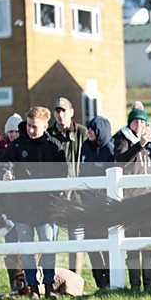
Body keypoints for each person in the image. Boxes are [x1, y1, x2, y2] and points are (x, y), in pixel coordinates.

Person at [0, 106, 67, 299]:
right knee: (27, 249)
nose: (30, 130)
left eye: (34, 126)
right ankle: (33, 288)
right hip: (22, 208)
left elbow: (64, 174)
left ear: (45, 125)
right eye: (28, 125)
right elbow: (4, 164)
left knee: (48, 246)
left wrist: (58, 195)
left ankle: (49, 286)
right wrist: (6, 172)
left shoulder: (54, 146)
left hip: (46, 208)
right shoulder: (18, 145)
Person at [114, 107, 151, 291]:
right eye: (135, 121)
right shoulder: (122, 140)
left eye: (142, 122)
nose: (139, 125)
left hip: (150, 201)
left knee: (149, 243)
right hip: (132, 201)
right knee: (132, 244)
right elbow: (120, 161)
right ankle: (135, 286)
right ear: (129, 123)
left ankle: (149, 286)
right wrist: (139, 145)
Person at [49, 97, 89, 274]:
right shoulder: (48, 135)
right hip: (54, 195)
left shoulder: (82, 133)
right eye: (57, 111)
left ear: (71, 112)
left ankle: (75, 280)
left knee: (76, 240)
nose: (60, 115)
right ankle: (50, 281)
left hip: (78, 195)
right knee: (51, 239)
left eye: (64, 111)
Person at [0, 113, 25, 292]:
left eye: (16, 131)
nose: (13, 135)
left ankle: (30, 281)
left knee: (26, 243)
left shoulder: (25, 147)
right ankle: (16, 283)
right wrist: (1, 176)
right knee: (11, 244)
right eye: (10, 131)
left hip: (25, 205)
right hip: (6, 205)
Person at [79, 115, 115, 290]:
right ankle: (100, 282)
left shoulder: (109, 150)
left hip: (104, 207)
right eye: (89, 128)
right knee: (91, 244)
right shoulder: (85, 147)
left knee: (107, 244)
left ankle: (110, 279)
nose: (90, 131)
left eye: (93, 128)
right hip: (87, 205)